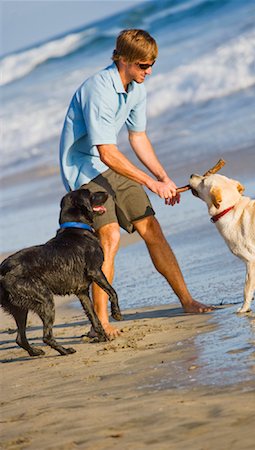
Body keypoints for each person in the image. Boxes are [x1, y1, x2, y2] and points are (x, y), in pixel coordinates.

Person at [59, 29, 213, 339]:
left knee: (151, 228)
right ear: (124, 60)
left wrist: (162, 177)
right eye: (143, 65)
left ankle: (187, 300)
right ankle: (100, 323)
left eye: (152, 64)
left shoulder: (136, 88)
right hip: (83, 171)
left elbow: (138, 137)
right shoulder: (99, 90)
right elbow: (106, 151)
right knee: (110, 236)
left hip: (110, 164)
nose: (149, 71)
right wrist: (150, 184)